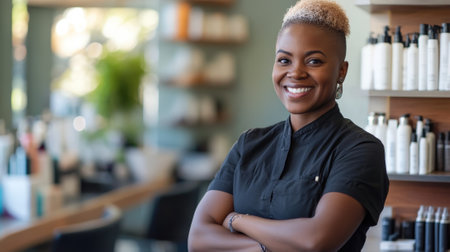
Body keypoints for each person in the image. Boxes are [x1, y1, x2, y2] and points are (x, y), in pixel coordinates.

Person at [188, 0, 389, 251]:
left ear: (341, 71)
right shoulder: (249, 144)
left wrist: (236, 220)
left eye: (314, 61)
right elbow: (198, 238)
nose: (295, 72)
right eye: (284, 60)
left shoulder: (360, 150)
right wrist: (267, 247)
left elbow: (315, 241)